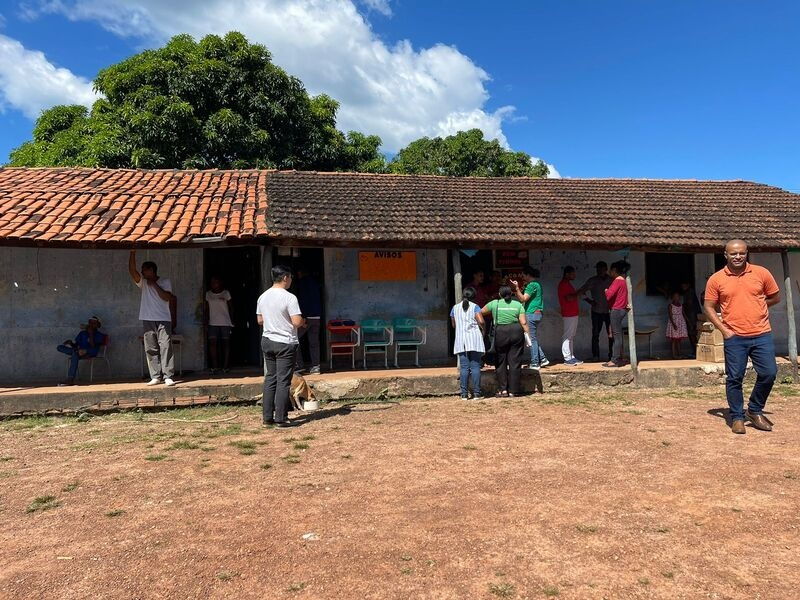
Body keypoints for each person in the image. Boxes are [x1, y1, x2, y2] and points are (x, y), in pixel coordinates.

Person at [704, 239, 780, 435]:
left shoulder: (761, 273)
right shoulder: (716, 279)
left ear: (747, 253)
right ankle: (737, 416)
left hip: (761, 333)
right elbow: (709, 308)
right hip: (734, 336)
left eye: (742, 253)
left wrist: (760, 306)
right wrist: (724, 330)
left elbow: (774, 297)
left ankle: (754, 410)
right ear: (725, 255)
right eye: (733, 253)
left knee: (769, 373)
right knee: (735, 378)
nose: (738, 257)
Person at [256, 265, 305, 428]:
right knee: (283, 380)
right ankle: (281, 418)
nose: (291, 280)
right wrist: (303, 321)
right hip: (285, 342)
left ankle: (267, 417)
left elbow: (260, 321)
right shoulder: (289, 298)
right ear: (285, 277)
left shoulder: (263, 297)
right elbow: (297, 322)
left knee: (270, 378)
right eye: (290, 277)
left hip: (268, 340)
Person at [128, 251, 176, 386]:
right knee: (151, 348)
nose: (142, 274)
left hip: (163, 319)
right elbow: (132, 271)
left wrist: (154, 284)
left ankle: (168, 376)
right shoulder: (142, 282)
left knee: (165, 346)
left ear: (152, 271)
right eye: (142, 271)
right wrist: (132, 253)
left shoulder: (165, 281)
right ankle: (155, 376)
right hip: (147, 318)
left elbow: (167, 297)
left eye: (145, 271)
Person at [481, 286, 531, 397]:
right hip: (516, 332)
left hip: (500, 333)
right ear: (511, 294)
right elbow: (523, 322)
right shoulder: (518, 305)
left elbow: (480, 312)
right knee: (515, 362)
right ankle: (513, 391)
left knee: (500, 362)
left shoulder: (495, 304)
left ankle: (503, 390)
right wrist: (528, 335)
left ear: (500, 294)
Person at [510, 266, 549, 370]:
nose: (523, 277)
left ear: (528, 275)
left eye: (523, 275)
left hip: (531, 313)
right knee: (533, 338)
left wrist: (517, 288)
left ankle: (535, 363)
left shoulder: (531, 285)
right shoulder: (538, 284)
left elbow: (523, 299)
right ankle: (543, 359)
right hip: (537, 313)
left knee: (531, 339)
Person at [450, 287, 486, 399]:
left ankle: (464, 394)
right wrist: (483, 329)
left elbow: (454, 325)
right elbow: (481, 321)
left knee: (464, 368)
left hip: (461, 340)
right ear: (473, 296)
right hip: (474, 339)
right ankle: (476, 393)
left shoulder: (454, 308)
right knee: (475, 367)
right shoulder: (475, 307)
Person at [577, 261, 614, 362]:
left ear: (606, 269)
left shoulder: (611, 280)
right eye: (597, 269)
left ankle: (611, 355)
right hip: (596, 311)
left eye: (601, 269)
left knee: (611, 334)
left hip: (609, 311)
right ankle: (596, 355)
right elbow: (581, 291)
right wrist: (590, 301)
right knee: (595, 334)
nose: (599, 271)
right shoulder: (592, 280)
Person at [57, 316, 105, 385]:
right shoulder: (82, 333)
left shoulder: (99, 335)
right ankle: (76, 353)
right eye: (90, 323)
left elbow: (93, 346)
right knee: (60, 347)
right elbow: (76, 345)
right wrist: (71, 343)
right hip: (79, 351)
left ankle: (70, 379)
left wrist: (91, 334)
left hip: (90, 352)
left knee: (75, 354)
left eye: (93, 323)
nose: (91, 325)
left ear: (97, 325)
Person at [293, 267, 322, 375]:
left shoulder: (303, 283)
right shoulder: (315, 283)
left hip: (307, 317)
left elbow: (304, 301)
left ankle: (299, 365)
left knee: (294, 338)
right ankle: (316, 366)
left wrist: (303, 318)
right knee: (314, 342)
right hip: (317, 317)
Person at [604, 261, 630, 368]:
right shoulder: (623, 281)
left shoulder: (617, 281)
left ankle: (614, 360)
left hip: (616, 310)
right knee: (618, 335)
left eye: (611, 270)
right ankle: (621, 357)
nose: (609, 272)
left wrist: (606, 290)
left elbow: (609, 295)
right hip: (622, 309)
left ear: (614, 270)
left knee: (616, 336)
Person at [204, 275, 233, 373]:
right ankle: (215, 366)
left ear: (220, 282)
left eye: (215, 281)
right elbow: (206, 309)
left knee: (226, 344)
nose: (213, 283)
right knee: (213, 344)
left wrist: (232, 321)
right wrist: (206, 323)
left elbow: (231, 308)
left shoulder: (226, 293)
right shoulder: (208, 294)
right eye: (212, 282)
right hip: (212, 322)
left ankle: (225, 366)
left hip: (225, 322)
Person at [558, 266, 582, 365]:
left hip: (573, 313)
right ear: (567, 274)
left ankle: (571, 356)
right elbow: (568, 298)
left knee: (571, 336)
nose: (574, 275)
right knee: (567, 336)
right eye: (572, 273)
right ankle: (567, 358)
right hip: (569, 313)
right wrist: (578, 293)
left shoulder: (567, 284)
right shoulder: (563, 284)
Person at [666, 291, 689, 359]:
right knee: (674, 340)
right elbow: (670, 316)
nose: (677, 298)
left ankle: (679, 354)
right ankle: (674, 355)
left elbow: (683, 314)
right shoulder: (670, 305)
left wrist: (687, 322)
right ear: (672, 298)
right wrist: (673, 324)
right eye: (675, 296)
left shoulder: (681, 305)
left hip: (680, 323)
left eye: (678, 296)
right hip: (674, 323)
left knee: (679, 340)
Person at [680, 281, 702, 349]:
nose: (683, 286)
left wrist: (683, 306)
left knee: (692, 333)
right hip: (691, 315)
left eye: (684, 285)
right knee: (692, 333)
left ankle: (695, 350)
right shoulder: (687, 292)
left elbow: (689, 303)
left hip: (692, 315)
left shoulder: (690, 292)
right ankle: (695, 350)